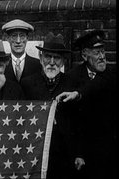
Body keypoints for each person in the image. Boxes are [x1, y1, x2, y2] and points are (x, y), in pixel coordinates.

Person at [56, 29, 116, 179]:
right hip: (84, 153)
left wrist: (78, 94)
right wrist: (77, 153)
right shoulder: (72, 77)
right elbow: (71, 122)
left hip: (110, 149)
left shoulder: (110, 74)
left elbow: (97, 85)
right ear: (84, 55)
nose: (102, 57)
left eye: (103, 52)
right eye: (97, 53)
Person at [21, 32, 76, 179]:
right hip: (35, 154)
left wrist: (79, 153)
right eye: (47, 57)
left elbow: (78, 123)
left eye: (57, 58)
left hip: (64, 155)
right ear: (40, 58)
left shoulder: (71, 84)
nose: (52, 62)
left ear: (63, 62)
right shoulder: (27, 84)